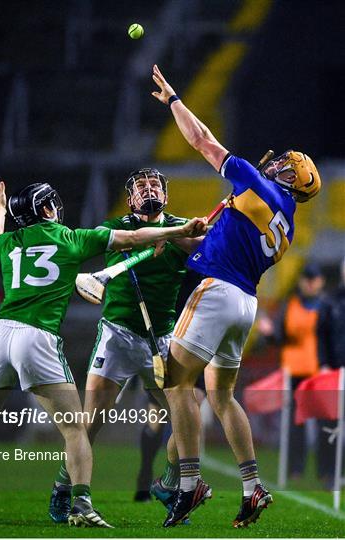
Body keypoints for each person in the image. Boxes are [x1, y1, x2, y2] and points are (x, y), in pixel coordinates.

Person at [0, 180, 207, 527]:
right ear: (46, 209)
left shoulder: (10, 242)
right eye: (52, 203)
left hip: (0, 337)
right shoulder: (70, 238)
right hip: (37, 339)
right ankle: (81, 504)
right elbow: (130, 239)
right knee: (75, 429)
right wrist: (177, 230)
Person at [151, 63, 321, 528]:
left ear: (289, 176)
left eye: (288, 164)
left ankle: (188, 485)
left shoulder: (255, 180)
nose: (279, 162)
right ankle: (252, 488)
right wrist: (179, 238)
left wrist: (173, 101)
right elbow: (217, 245)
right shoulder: (284, 227)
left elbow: (202, 140)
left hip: (217, 292)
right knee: (221, 397)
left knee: (175, 382)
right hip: (245, 304)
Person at [48, 168, 207, 523]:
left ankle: (168, 484)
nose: (148, 189)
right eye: (140, 187)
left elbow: (203, 247)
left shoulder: (184, 228)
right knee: (92, 422)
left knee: (188, 418)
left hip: (163, 338)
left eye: (154, 185)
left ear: (165, 196)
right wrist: (164, 235)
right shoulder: (114, 226)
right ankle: (64, 489)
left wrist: (181, 235)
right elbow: (123, 240)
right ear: (131, 198)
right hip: (117, 335)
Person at [258, 263, 325, 479]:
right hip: (294, 372)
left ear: (321, 281)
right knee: (296, 424)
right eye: (307, 278)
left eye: (314, 279)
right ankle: (295, 469)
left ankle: (327, 472)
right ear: (301, 281)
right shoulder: (290, 306)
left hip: (321, 373)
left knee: (327, 423)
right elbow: (278, 337)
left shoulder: (327, 306)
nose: (310, 283)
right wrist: (268, 334)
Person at [317, 255, 345, 487]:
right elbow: (321, 335)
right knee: (330, 424)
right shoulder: (330, 301)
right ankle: (328, 473)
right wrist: (324, 364)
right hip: (334, 371)